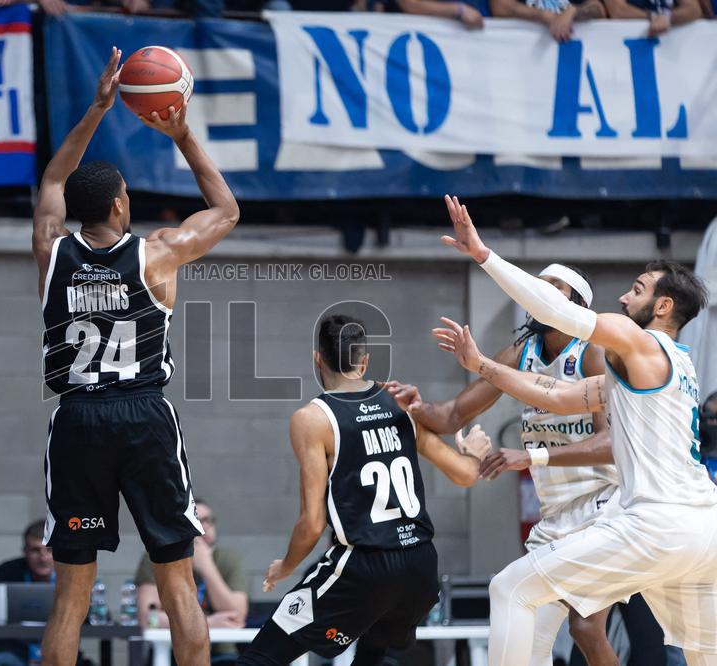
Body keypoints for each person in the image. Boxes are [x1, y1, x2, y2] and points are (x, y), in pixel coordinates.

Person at [435, 194, 717, 666]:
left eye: (638, 289)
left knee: (510, 590)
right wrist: (482, 364)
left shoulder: (640, 342)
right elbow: (559, 397)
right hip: (704, 528)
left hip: (655, 521)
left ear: (663, 305)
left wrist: (484, 255)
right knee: (704, 654)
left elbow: (562, 313)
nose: (625, 298)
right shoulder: (673, 366)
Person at [31, 47, 239, 666]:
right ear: (121, 205)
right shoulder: (157, 255)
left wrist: (96, 110)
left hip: (76, 419)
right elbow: (226, 210)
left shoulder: (52, 254)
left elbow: (49, 183)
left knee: (71, 594)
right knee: (178, 583)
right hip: (145, 416)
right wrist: (182, 133)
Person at [385, 266, 638, 666]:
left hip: (604, 508)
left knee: (585, 628)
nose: (541, 293)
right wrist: (415, 407)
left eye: (554, 288)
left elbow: (611, 444)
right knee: (526, 638)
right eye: (538, 286)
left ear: (577, 305)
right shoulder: (521, 352)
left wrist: (533, 456)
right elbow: (451, 416)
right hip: (555, 514)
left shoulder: (591, 351)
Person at [237, 314, 493, 665]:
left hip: (365, 566)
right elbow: (465, 475)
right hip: (419, 566)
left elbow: (312, 524)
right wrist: (470, 454)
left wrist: (285, 566)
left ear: (317, 358)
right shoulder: (400, 402)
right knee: (372, 655)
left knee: (260, 657)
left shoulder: (313, 419)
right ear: (365, 361)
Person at [134, 499, 248, 657]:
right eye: (196, 519)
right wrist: (208, 624)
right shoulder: (156, 558)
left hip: (221, 654)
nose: (204, 526)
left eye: (208, 520)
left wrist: (206, 567)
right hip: (170, 652)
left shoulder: (228, 559)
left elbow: (237, 615)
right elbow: (149, 619)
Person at [0, 521, 57, 666]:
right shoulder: (5, 573)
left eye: (49, 550)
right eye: (36, 550)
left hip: (58, 649)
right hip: (14, 651)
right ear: (25, 551)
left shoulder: (72, 577)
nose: (43, 558)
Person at [489, 0, 605, 43]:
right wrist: (541, 15)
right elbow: (500, 6)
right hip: (527, 56)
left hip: (571, 57)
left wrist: (573, 11)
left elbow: (598, 9)